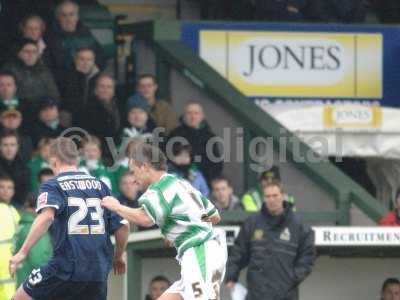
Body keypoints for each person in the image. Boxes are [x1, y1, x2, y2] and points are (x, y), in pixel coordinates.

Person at [101, 142, 227, 300]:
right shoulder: (179, 182)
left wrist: (117, 207)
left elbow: (145, 219)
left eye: (134, 172)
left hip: (199, 252)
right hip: (205, 251)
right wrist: (179, 228)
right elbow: (214, 216)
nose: (134, 179)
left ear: (144, 166)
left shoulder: (158, 189)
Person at [10, 137, 129, 300]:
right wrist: (118, 256)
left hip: (66, 267)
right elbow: (123, 226)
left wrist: (22, 252)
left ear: (53, 161)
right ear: (77, 159)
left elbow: (46, 217)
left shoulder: (53, 185)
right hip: (98, 270)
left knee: (19, 298)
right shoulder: (101, 186)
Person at [225, 180, 315, 300]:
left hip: (285, 294)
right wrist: (231, 275)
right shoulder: (252, 222)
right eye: (268, 196)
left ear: (283, 196)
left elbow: (307, 257)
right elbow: (238, 252)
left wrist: (291, 278)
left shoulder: (298, 225)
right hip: (256, 293)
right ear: (264, 198)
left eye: (275, 195)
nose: (271, 200)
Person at [46, 0, 106, 84]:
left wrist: (93, 67)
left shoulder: (85, 33)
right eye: (64, 15)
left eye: (71, 14)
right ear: (58, 18)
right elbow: (51, 67)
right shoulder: (50, 38)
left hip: (90, 78)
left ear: (77, 17)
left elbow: (101, 57)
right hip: (65, 82)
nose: (68, 19)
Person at [168, 102, 223, 183]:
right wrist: (174, 160)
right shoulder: (175, 134)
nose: (193, 117)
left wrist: (192, 159)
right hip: (179, 179)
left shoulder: (209, 137)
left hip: (203, 182)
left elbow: (216, 164)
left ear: (202, 116)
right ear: (184, 116)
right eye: (189, 113)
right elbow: (165, 156)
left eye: (196, 113)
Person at [2, 38, 60, 105]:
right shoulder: (9, 70)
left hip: (41, 108)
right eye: (27, 51)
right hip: (17, 107)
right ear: (19, 54)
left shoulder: (44, 71)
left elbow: (54, 95)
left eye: (34, 52)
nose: (31, 55)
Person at [14, 193, 53, 288]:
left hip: (23, 284)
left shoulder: (23, 224)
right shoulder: (35, 229)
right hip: (34, 287)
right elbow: (39, 260)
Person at [59, 47, 100, 126]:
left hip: (94, 120)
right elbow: (69, 103)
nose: (85, 63)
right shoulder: (66, 77)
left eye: (89, 60)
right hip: (72, 120)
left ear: (94, 61)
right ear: (76, 60)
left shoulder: (100, 78)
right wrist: (80, 76)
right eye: (82, 59)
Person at [82, 74, 121, 144]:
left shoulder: (120, 106)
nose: (105, 90)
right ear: (95, 89)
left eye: (109, 87)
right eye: (102, 86)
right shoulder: (86, 109)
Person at [0, 176, 20, 299]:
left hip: (9, 266)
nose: (6, 191)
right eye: (1, 187)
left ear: (13, 191)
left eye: (9, 188)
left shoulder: (14, 212)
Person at [0, 129, 30, 207]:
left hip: (16, 207)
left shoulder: (24, 168)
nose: (9, 149)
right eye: (5, 145)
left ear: (18, 146)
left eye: (12, 145)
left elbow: (24, 195)